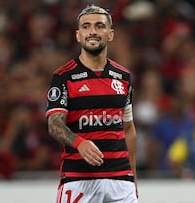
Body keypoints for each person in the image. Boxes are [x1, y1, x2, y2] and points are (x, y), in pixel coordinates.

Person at [46, 4, 138, 203]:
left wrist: (133, 180)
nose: (93, 32)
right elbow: (54, 124)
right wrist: (79, 143)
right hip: (78, 180)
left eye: (99, 26)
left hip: (121, 181)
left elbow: (129, 129)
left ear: (110, 34)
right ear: (78, 35)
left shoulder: (123, 77)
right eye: (86, 27)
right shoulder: (63, 76)